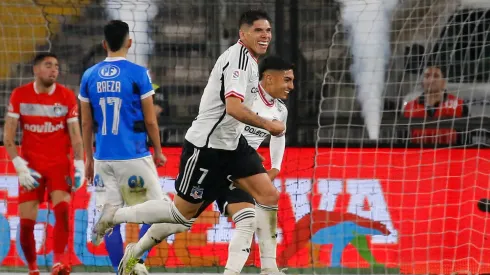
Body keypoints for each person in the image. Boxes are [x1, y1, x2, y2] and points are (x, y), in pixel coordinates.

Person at [90, 9, 285, 274]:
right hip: (206, 147)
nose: (265, 35)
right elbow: (233, 108)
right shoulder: (238, 58)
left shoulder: (251, 61)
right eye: (258, 30)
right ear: (244, 34)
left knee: (268, 194)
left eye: (268, 31)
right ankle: (115, 217)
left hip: (232, 145)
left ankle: (270, 269)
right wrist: (268, 125)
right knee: (181, 216)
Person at [118, 55, 294, 275]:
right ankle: (134, 254)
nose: (291, 86)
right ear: (269, 78)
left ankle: (256, 270)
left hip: (239, 169)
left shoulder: (280, 110)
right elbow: (221, 119)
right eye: (287, 80)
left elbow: (279, 135)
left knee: (248, 218)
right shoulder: (244, 95)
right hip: (212, 159)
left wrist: (275, 166)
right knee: (181, 219)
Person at [78, 20, 171, 273]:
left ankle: (123, 270)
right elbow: (150, 119)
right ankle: (135, 259)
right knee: (163, 213)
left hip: (102, 158)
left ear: (104, 44)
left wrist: (88, 159)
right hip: (134, 155)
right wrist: (160, 151)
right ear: (129, 42)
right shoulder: (138, 73)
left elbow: (86, 123)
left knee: (108, 222)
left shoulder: (89, 75)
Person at [3, 53, 85, 275]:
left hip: (59, 165)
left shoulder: (67, 96)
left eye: (57, 66)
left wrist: (80, 165)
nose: (54, 70)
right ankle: (32, 269)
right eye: (48, 65)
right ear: (36, 70)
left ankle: (59, 263)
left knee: (63, 211)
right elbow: (8, 137)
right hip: (31, 168)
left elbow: (76, 137)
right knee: (26, 225)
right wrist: (19, 166)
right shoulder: (20, 95)